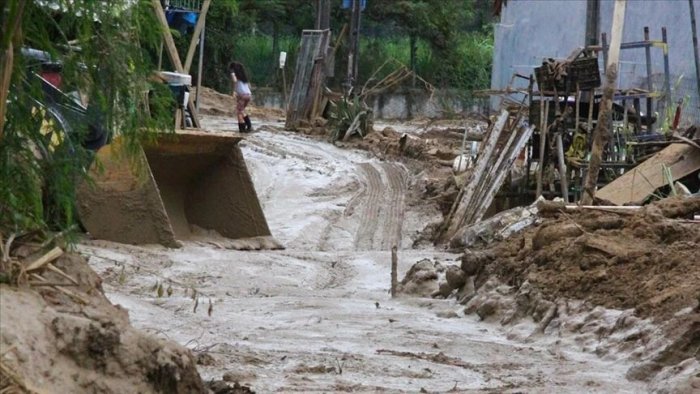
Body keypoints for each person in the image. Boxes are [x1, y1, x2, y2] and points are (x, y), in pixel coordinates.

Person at [229, 61, 252, 132]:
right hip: (248, 95)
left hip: (242, 96)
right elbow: (249, 86)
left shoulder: (235, 76)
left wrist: (233, 91)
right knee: (242, 111)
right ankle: (248, 125)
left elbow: (234, 81)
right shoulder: (244, 78)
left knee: (239, 112)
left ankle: (242, 129)